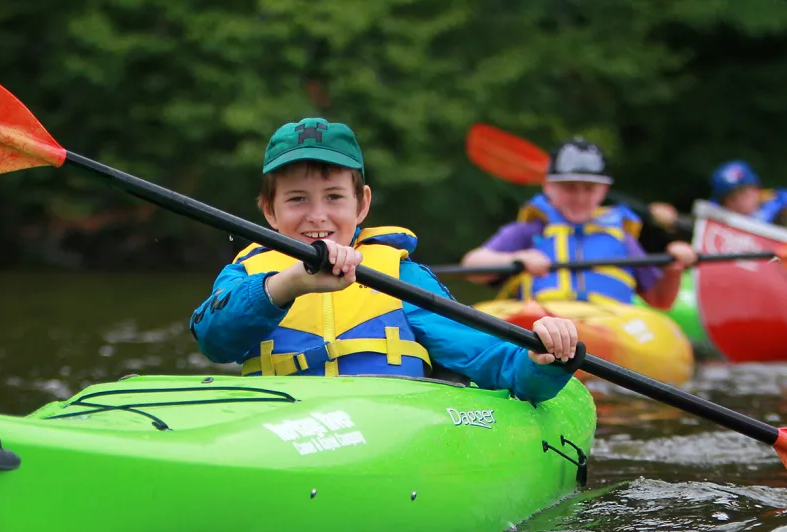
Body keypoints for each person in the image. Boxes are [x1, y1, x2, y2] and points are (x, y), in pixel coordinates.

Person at [190, 117, 581, 404]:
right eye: (297, 199)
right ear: (269, 212)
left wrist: (542, 361)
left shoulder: (401, 277)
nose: (317, 215)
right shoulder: (247, 276)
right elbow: (214, 341)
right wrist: (287, 284)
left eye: (333, 197)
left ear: (362, 204)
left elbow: (496, 364)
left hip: (386, 432)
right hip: (279, 430)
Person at [459, 137, 696, 309]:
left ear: (603, 190)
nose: (580, 197)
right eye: (570, 187)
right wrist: (516, 259)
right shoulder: (530, 231)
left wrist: (673, 268)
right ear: (548, 186)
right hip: (545, 321)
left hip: (610, 323)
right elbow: (472, 266)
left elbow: (660, 300)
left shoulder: (622, 239)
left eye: (589, 188)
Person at [647, 160, 787, 230]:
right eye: (731, 197)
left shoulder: (780, 207)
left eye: (744, 191)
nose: (740, 201)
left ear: (757, 189)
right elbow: (690, 226)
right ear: (723, 202)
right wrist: (672, 220)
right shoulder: (717, 218)